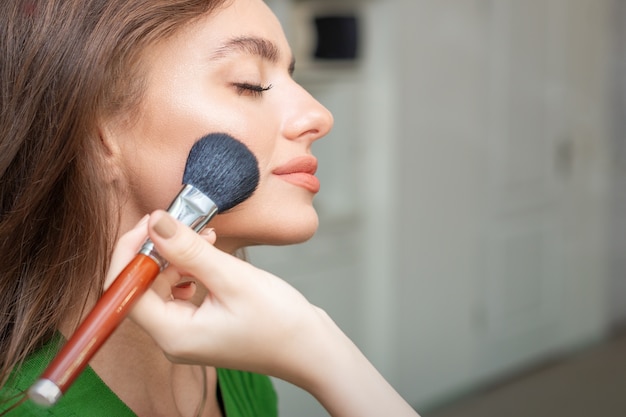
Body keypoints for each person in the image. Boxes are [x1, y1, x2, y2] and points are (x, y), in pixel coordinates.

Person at [0, 0, 420, 416]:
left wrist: (320, 351)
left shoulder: (239, 366)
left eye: (292, 77)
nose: (319, 115)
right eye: (250, 84)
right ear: (99, 134)